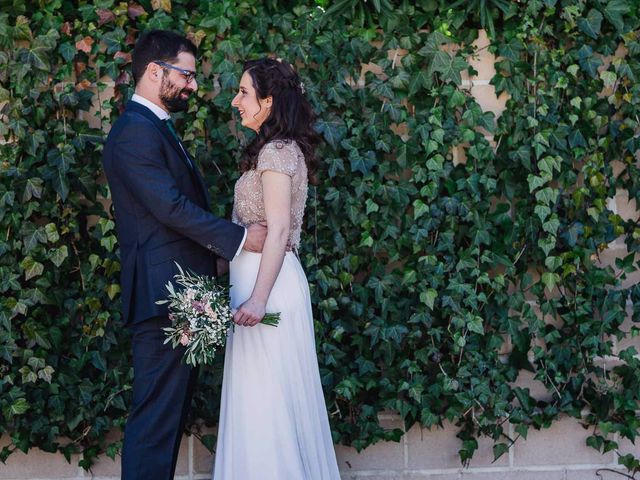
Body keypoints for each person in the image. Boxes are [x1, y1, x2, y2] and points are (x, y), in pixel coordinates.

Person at [102, 30, 266, 480]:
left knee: (167, 422)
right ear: (154, 71)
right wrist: (238, 240)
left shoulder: (154, 127)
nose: (193, 86)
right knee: (155, 424)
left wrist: (213, 260)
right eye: (186, 75)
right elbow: (169, 207)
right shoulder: (134, 132)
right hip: (163, 300)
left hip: (179, 295)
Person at [212, 58, 341, 479]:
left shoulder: (277, 152)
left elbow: (281, 227)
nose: (236, 102)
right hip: (252, 286)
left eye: (244, 93)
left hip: (268, 291)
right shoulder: (271, 150)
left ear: (268, 102)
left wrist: (258, 298)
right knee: (257, 401)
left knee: (269, 401)